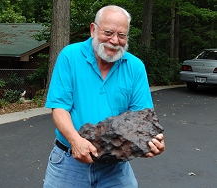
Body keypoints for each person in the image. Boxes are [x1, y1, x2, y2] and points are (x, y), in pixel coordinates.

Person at [43, 5, 165, 188]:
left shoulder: (135, 67)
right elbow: (59, 107)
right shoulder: (70, 56)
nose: (115, 41)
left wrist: (150, 142)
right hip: (69, 162)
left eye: (122, 35)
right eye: (108, 32)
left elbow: (141, 119)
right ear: (93, 29)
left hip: (115, 167)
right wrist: (75, 141)